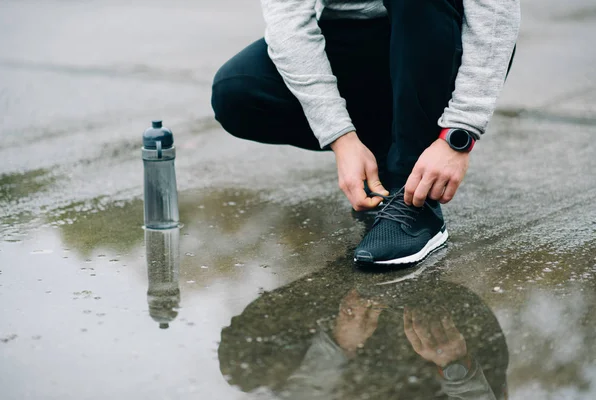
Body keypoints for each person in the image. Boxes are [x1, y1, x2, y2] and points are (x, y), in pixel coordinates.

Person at [211, 0, 520, 265]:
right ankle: (387, 152)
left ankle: (415, 201)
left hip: (437, 34)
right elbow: (288, 23)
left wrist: (459, 133)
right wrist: (341, 137)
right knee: (237, 92)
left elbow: (493, 11)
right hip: (358, 37)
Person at [218, 257, 509, 399]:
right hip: (427, 366)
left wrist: (338, 344)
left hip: (346, 368)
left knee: (242, 365)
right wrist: (454, 365)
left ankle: (350, 275)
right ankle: (408, 279)